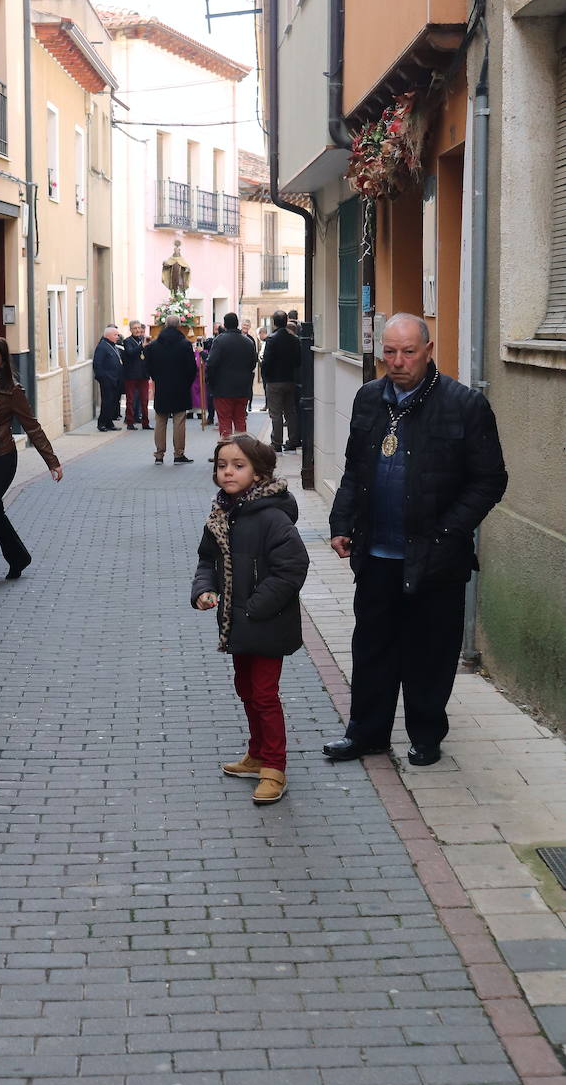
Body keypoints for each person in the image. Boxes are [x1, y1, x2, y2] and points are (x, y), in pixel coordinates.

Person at [323, 313, 508, 768]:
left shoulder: (464, 405)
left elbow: (490, 480)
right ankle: (366, 733)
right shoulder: (369, 398)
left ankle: (426, 736)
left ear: (428, 351)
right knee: (372, 648)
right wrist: (341, 522)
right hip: (376, 553)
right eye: (389, 352)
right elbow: (355, 469)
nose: (398, 361)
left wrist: (448, 532)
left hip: (436, 557)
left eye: (408, 352)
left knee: (430, 652)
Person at [191, 435, 309, 804]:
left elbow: (293, 567)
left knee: (264, 693)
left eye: (238, 466)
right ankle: (256, 754)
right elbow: (207, 560)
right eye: (222, 465)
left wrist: (255, 607)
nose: (227, 472)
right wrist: (204, 590)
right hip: (238, 623)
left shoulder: (272, 517)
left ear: (258, 473)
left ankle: (274, 766)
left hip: (268, 621)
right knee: (246, 688)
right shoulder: (221, 514)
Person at [0, 334, 62, 595]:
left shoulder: (12, 390)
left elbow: (32, 426)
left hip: (2, 458)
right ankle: (18, 557)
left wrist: (52, 461)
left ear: (3, 363)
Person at [144, 313, 197, 463]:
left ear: (165, 325)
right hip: (180, 387)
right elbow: (191, 368)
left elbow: (148, 366)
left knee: (160, 420)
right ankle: (178, 454)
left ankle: (159, 454)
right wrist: (186, 382)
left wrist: (156, 378)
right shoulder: (185, 344)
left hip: (162, 386)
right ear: (179, 325)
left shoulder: (154, 345)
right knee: (179, 420)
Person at [206, 312, 258, 438]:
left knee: (225, 422)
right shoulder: (248, 342)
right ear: (237, 324)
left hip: (223, 388)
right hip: (243, 387)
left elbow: (211, 364)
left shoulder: (219, 341)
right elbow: (253, 363)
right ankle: (242, 447)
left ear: (224, 325)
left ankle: (226, 448)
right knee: (240, 420)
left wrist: (210, 382)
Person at [261, 310, 301, 451]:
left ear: (274, 322)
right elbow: (298, 361)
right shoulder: (294, 339)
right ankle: (293, 440)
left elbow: (266, 362)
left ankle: (276, 443)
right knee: (291, 412)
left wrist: (266, 377)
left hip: (274, 381)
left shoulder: (271, 339)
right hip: (289, 379)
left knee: (276, 413)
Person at [93, 324, 124, 431]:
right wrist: (104, 378)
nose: (117, 337)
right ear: (108, 336)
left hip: (115, 379)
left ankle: (109, 423)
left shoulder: (112, 345)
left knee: (113, 402)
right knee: (107, 402)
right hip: (107, 380)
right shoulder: (102, 347)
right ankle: (101, 423)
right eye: (115, 335)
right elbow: (97, 364)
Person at [122, 320, 151, 429]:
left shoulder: (144, 340)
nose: (138, 330)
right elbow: (130, 353)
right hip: (131, 375)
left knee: (144, 400)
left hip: (143, 375)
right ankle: (130, 422)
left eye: (139, 328)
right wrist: (142, 346)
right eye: (135, 328)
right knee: (131, 400)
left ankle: (145, 423)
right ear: (131, 330)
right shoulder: (127, 341)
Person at [241, 317, 258, 411]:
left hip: (249, 368)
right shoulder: (238, 336)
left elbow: (254, 354)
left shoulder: (251, 339)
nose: (245, 327)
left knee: (249, 387)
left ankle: (249, 404)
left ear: (250, 327)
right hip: (240, 367)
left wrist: (252, 367)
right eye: (244, 325)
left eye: (247, 325)